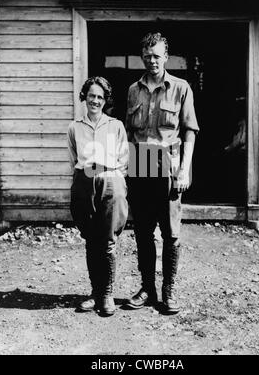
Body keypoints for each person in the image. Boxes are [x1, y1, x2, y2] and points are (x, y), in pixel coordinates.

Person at [125, 32, 199, 314]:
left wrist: (184, 170)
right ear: (142, 56)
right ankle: (147, 288)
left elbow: (190, 131)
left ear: (166, 57)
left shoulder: (181, 88)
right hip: (141, 161)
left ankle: (169, 291)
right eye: (147, 55)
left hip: (169, 164)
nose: (152, 60)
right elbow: (130, 133)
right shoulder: (133, 89)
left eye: (157, 55)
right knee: (143, 231)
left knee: (170, 233)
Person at [67, 76, 129, 316]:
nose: (95, 100)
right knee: (91, 239)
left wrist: (116, 182)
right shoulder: (74, 127)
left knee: (108, 241)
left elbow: (124, 160)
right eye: (91, 95)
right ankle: (95, 292)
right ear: (85, 97)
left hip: (110, 182)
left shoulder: (116, 125)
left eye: (100, 97)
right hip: (84, 183)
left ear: (106, 101)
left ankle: (107, 294)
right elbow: (74, 160)